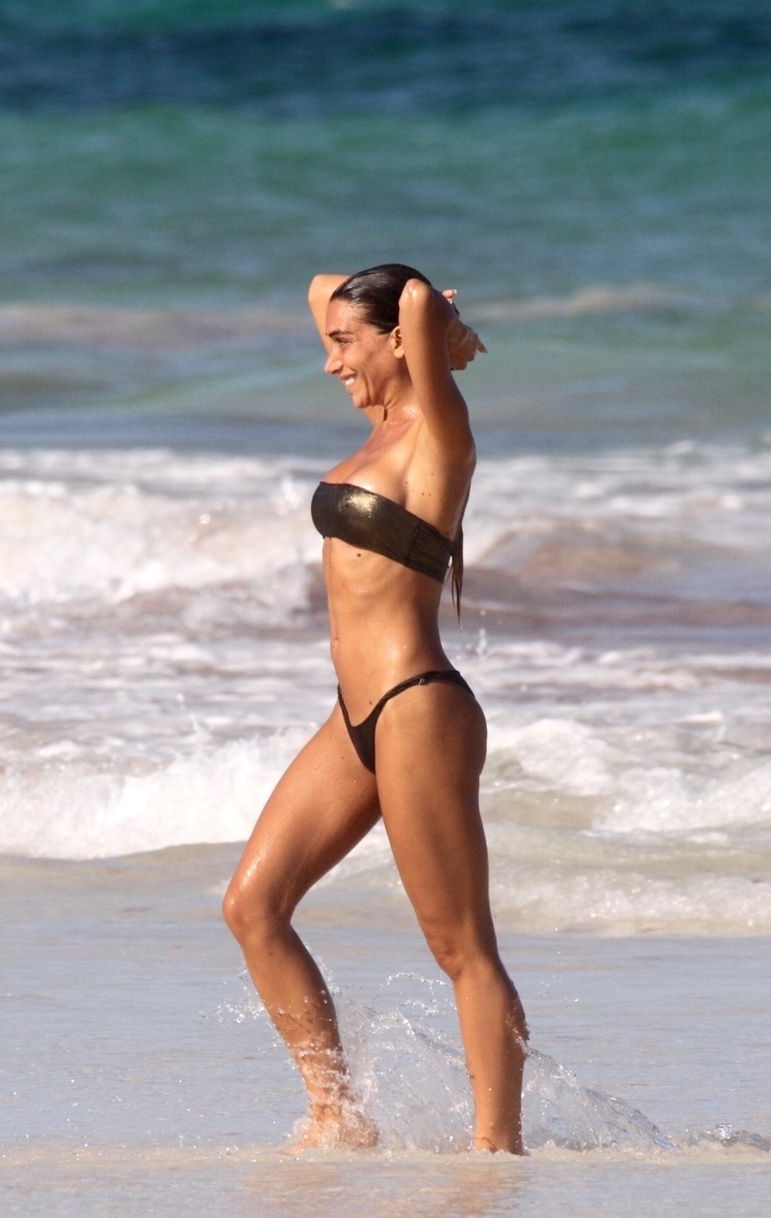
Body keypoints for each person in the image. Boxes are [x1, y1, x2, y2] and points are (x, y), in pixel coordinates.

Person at [222, 264, 528, 1154]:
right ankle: (337, 1115)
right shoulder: (377, 426)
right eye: (329, 347)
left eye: (347, 346)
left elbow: (422, 304)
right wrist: (373, 325)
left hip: (416, 708)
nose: (330, 364)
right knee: (254, 906)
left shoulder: (437, 435)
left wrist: (444, 336)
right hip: (353, 715)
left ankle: (496, 1150)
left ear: (400, 344)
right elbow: (326, 285)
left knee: (461, 946)